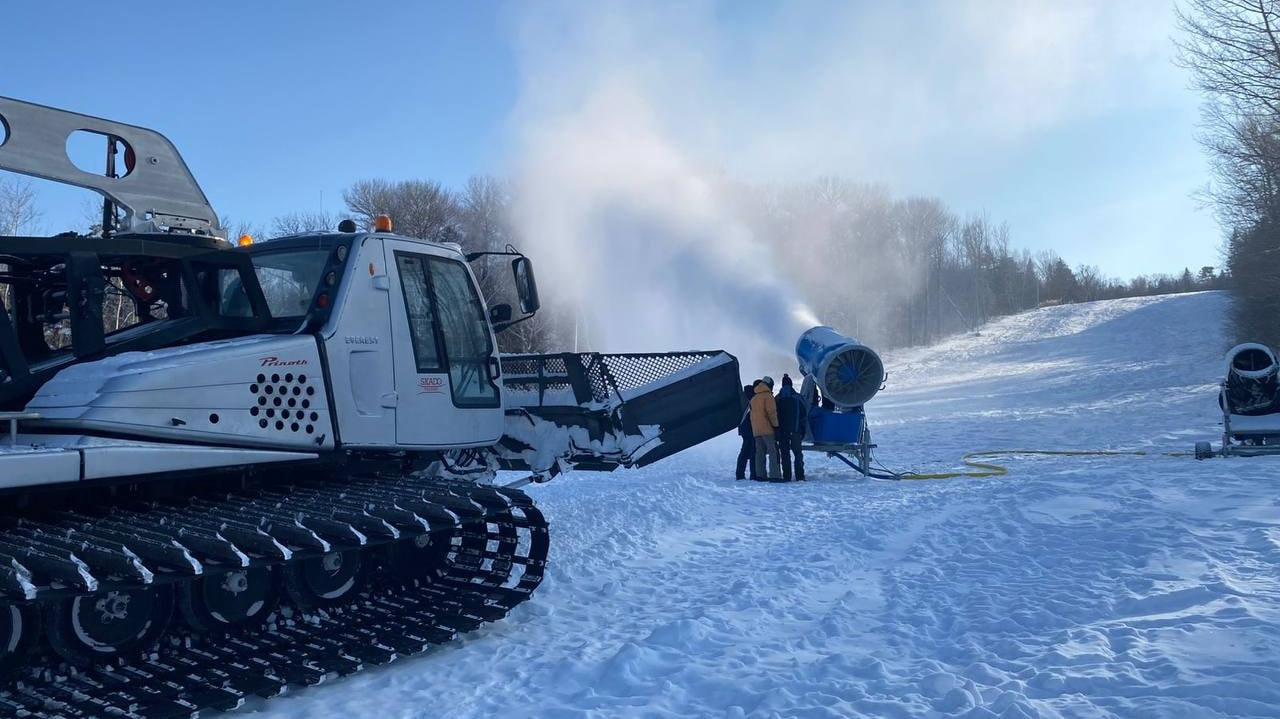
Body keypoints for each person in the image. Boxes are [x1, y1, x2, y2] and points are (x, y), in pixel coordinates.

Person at [774, 374, 808, 481]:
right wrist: (803, 429)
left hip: (782, 431)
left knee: (785, 454)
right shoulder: (798, 398)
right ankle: (800, 476)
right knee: (798, 454)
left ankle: (787, 476)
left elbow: (773, 414)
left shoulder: (777, 398)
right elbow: (804, 414)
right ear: (791, 384)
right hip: (796, 430)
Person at [749, 376, 782, 480]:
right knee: (773, 452)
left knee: (760, 453)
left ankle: (760, 475)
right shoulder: (768, 396)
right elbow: (771, 413)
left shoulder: (754, 398)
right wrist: (776, 426)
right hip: (767, 429)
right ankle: (775, 475)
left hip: (756, 430)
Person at [735, 384, 756, 480]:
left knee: (744, 452)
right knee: (752, 452)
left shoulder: (742, 400)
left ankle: (740, 473)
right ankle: (753, 473)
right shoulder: (751, 401)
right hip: (750, 429)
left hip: (744, 430)